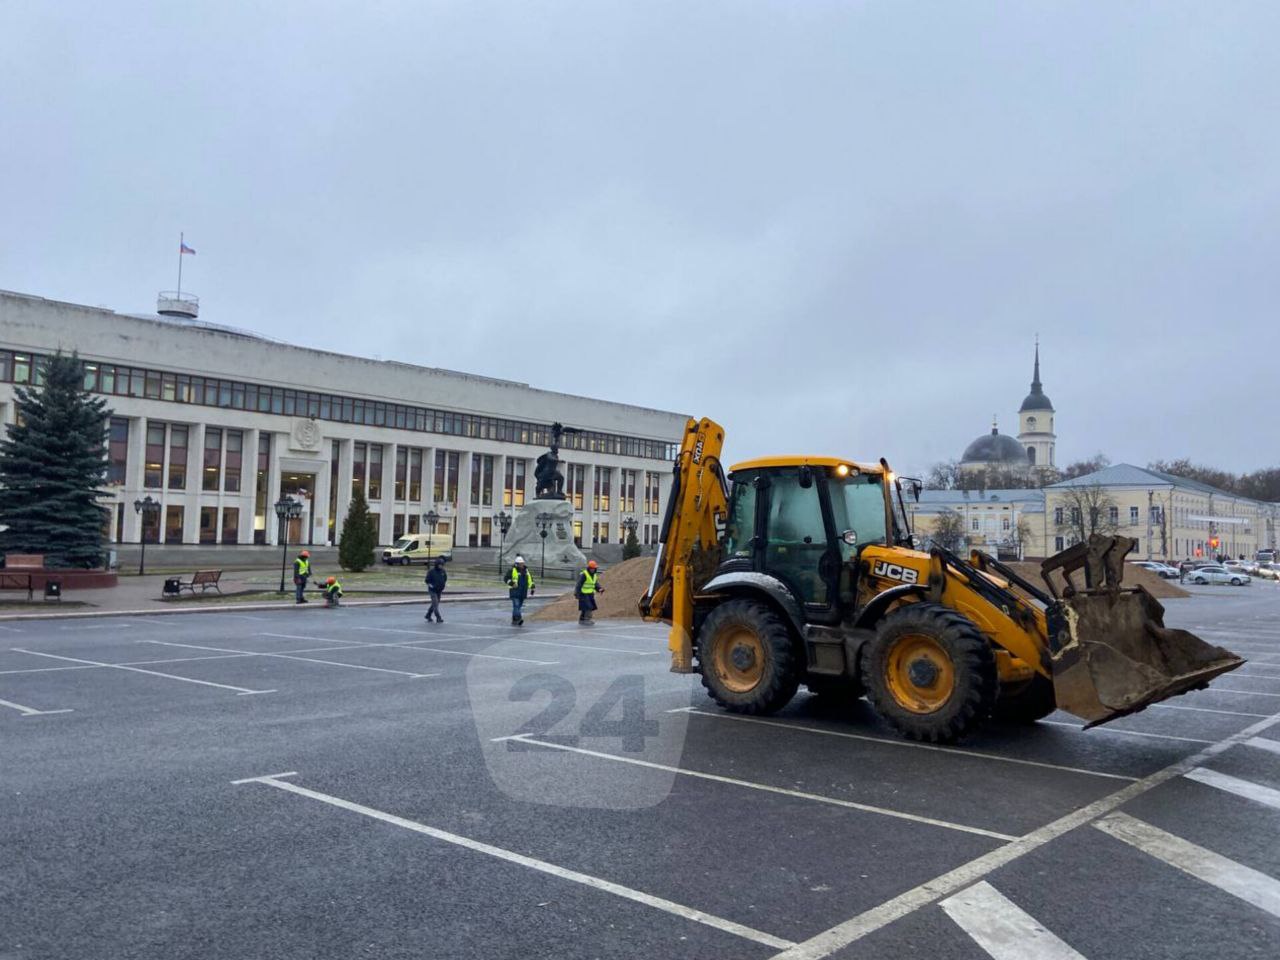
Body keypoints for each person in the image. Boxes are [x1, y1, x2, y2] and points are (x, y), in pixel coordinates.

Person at [506, 555, 535, 625]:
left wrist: (532, 588)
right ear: (517, 564)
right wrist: (512, 583)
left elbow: (530, 581)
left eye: (522, 563)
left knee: (518, 606)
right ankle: (519, 618)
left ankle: (514, 619)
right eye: (520, 563)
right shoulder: (512, 570)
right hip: (514, 591)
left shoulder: (526, 571)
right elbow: (506, 578)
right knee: (516, 605)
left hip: (523, 592)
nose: (522, 564)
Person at [575, 559, 604, 624]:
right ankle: (586, 619)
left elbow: (595, 583)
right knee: (588, 606)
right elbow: (578, 584)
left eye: (594, 568)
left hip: (590, 594)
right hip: (583, 593)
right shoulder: (584, 574)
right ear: (589, 568)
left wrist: (599, 589)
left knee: (586, 607)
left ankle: (582, 619)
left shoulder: (594, 575)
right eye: (592, 568)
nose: (593, 570)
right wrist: (577, 594)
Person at [424, 558, 447, 623]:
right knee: (435, 604)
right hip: (432, 590)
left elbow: (445, 579)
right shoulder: (431, 571)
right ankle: (438, 617)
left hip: (439, 590)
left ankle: (428, 615)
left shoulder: (443, 571)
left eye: (442, 565)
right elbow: (427, 580)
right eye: (440, 565)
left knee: (435, 604)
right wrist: (431, 585)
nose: (441, 566)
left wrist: (442, 585)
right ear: (437, 564)